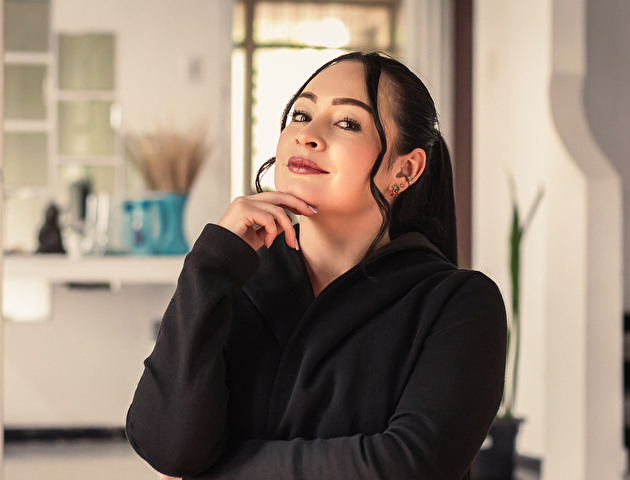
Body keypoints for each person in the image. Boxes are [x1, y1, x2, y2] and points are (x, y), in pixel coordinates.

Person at [126, 51, 507, 480]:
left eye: (347, 123)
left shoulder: (459, 303)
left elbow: (409, 465)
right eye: (301, 115)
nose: (307, 135)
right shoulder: (234, 280)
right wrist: (208, 266)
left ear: (405, 169)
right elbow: (169, 449)